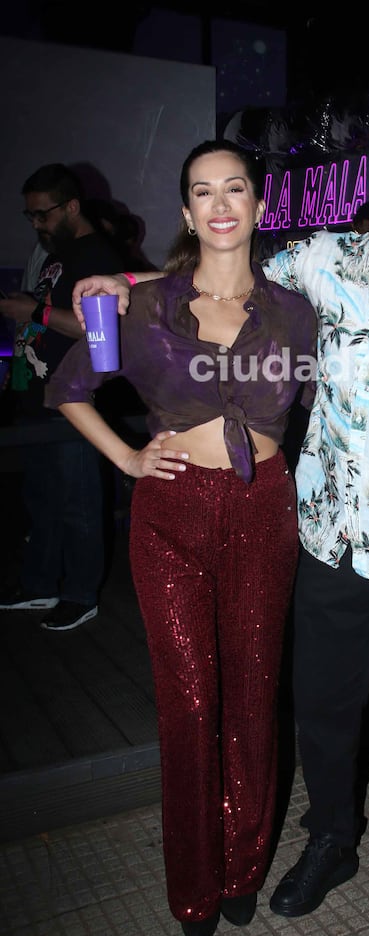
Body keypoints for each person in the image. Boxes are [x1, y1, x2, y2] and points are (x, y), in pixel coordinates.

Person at [71, 104, 369, 936]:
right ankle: (331, 840)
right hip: (324, 533)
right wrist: (121, 284)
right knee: (323, 707)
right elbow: (222, 267)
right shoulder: (320, 264)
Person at [45, 140, 319, 936]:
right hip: (169, 515)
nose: (222, 203)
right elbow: (71, 386)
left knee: (253, 694)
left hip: (263, 508)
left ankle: (244, 867)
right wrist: (129, 455)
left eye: (236, 187)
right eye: (204, 191)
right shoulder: (143, 306)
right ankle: (194, 885)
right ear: (187, 211)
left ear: (259, 206)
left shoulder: (295, 313)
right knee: (191, 702)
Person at [0, 164, 124, 630]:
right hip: (40, 396)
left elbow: (99, 328)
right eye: (29, 216)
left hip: (74, 398)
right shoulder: (61, 253)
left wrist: (32, 309)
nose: (36, 224)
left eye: (42, 214)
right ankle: (40, 586)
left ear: (71, 207)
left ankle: (79, 593)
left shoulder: (92, 253)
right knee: (44, 500)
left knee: (78, 501)